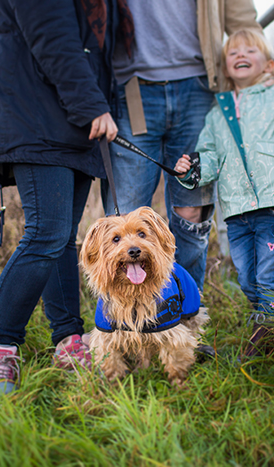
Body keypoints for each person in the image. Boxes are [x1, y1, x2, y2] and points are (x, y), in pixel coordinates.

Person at [0, 0, 133, 396]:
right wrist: (93, 105)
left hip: (70, 122)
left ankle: (68, 342)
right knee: (46, 234)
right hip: (36, 114)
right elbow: (52, 38)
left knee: (62, 238)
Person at [173, 29, 274, 355]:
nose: (241, 55)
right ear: (225, 66)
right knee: (246, 278)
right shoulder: (218, 113)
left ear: (269, 64)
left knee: (266, 274)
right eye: (233, 53)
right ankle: (267, 317)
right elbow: (210, 156)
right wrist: (191, 171)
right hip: (236, 209)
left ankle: (269, 334)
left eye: (250, 50)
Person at [101, 0, 261, 291]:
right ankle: (129, 323)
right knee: (124, 219)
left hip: (199, 86)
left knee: (192, 211)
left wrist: (253, 81)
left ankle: (183, 317)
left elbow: (242, 20)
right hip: (132, 87)